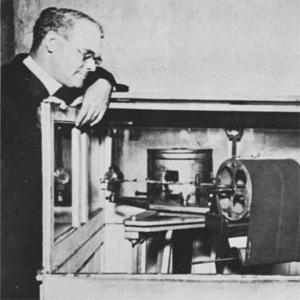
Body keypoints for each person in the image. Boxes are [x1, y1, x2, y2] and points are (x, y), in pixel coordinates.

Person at [1, 7, 122, 299]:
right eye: (86, 55)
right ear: (52, 44)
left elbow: (100, 74)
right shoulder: (4, 89)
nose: (91, 66)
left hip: (53, 248)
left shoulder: (67, 87)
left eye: (97, 59)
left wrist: (104, 82)